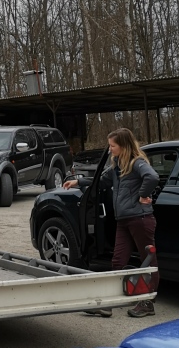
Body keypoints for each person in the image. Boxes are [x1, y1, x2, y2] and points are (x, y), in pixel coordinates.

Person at [64, 127, 159, 318]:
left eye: (112, 146)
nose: (110, 149)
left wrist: (142, 195)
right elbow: (101, 181)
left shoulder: (136, 162)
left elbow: (152, 177)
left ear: (123, 145)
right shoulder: (117, 166)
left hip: (140, 219)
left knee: (148, 261)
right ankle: (109, 304)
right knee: (118, 261)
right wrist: (78, 182)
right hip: (123, 220)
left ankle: (147, 303)